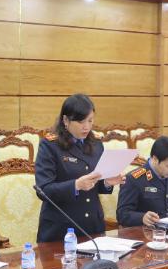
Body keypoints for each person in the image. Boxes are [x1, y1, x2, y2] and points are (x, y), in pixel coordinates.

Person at [35, 94, 125, 242]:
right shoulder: (50, 145)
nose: (87, 127)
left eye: (90, 120)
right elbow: (43, 190)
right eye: (81, 121)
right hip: (61, 229)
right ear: (66, 120)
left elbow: (95, 183)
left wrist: (107, 182)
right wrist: (76, 185)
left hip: (92, 226)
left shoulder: (96, 144)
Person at [117, 136, 168, 227]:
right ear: (155, 159)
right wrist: (142, 217)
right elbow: (122, 215)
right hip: (145, 231)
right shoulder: (133, 179)